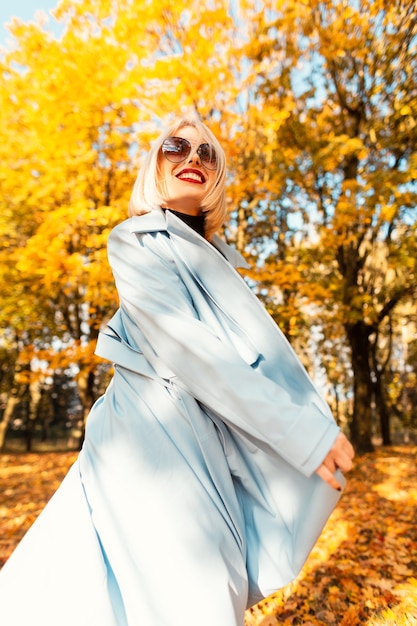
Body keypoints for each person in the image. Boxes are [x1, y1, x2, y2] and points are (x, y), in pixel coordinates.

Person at [0, 115, 354, 626]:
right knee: (188, 595)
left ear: (216, 178)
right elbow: (187, 348)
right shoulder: (134, 241)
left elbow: (243, 361)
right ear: (155, 165)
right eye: (177, 146)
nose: (193, 158)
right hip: (147, 444)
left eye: (207, 154)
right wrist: (298, 430)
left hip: (208, 445)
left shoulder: (221, 263)